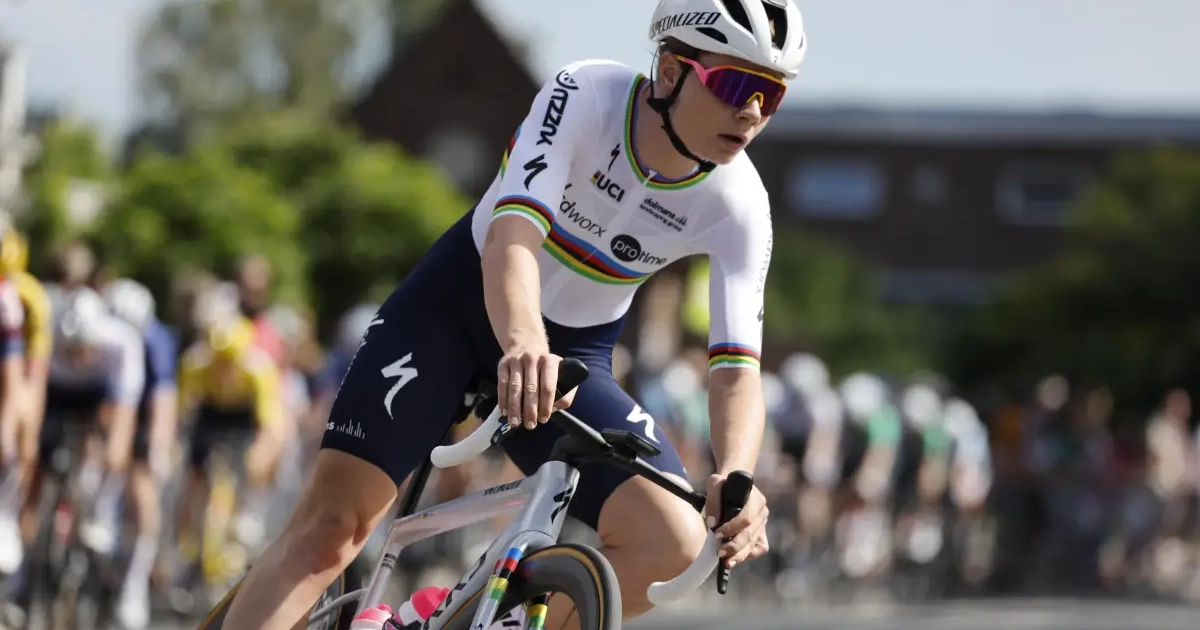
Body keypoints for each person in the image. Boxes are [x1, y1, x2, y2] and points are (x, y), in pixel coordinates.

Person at [220, 1, 806, 628]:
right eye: (736, 85)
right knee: (330, 531)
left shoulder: (740, 202)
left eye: (771, 95)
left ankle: (455, 617)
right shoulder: (586, 95)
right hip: (456, 309)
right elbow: (514, 235)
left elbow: (736, 366)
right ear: (670, 70)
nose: (752, 111)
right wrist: (524, 341)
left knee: (673, 544)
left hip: (571, 356)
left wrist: (737, 471)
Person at [102, 278, 179, 630]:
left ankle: (134, 585)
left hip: (144, 409)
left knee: (143, 490)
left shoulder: (156, 341)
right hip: (108, 398)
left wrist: (158, 448)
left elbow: (163, 399)